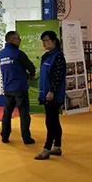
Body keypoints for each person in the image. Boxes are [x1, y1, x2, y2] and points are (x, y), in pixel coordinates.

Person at [0, 30, 36, 144]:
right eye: (18, 38)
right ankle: (26, 138)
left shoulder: (0, 55)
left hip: (7, 88)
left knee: (7, 113)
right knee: (24, 114)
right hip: (20, 87)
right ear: (12, 40)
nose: (20, 40)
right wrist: (31, 75)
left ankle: (4, 136)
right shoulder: (19, 54)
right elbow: (31, 67)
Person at [35, 30, 66, 160]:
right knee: (54, 121)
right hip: (46, 93)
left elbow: (57, 76)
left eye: (46, 40)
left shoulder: (57, 57)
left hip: (53, 94)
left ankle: (46, 149)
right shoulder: (46, 56)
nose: (44, 43)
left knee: (50, 122)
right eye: (43, 41)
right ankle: (57, 146)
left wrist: (52, 91)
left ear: (53, 41)